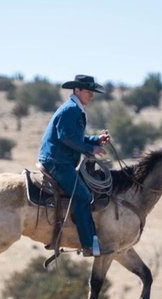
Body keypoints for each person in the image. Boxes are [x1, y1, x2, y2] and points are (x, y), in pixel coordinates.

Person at [38, 74, 111, 257]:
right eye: (88, 91)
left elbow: (74, 137)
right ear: (76, 90)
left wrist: (96, 140)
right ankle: (88, 245)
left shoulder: (74, 109)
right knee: (83, 196)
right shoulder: (71, 109)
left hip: (61, 161)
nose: (91, 96)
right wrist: (89, 149)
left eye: (92, 92)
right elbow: (65, 136)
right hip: (57, 162)